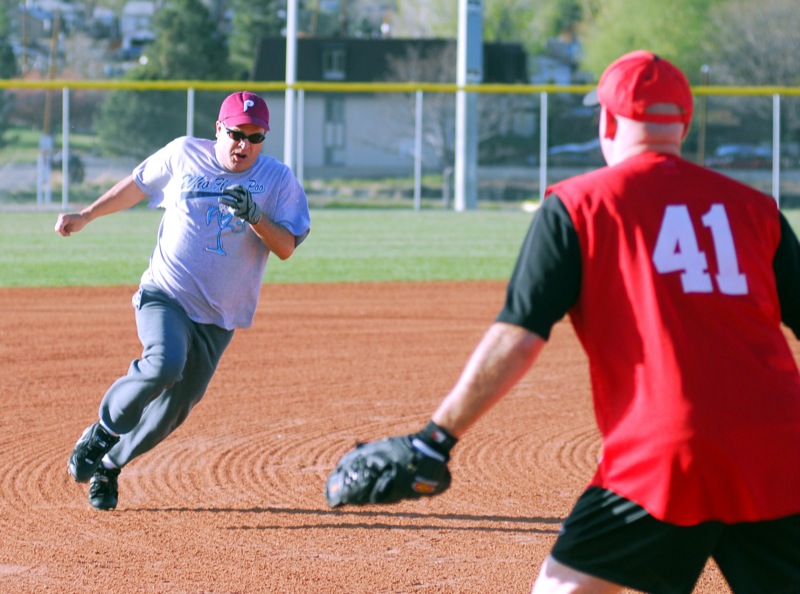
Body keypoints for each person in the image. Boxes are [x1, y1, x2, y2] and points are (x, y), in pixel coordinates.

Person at [325, 51, 800, 593]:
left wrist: (436, 440)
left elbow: (519, 336)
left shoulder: (580, 205)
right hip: (782, 451)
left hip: (665, 455)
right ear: (685, 125)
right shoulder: (757, 210)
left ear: (608, 121)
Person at [57, 91, 311, 511]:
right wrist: (86, 215)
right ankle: (103, 429)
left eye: (255, 136)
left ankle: (109, 465)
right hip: (167, 295)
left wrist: (255, 215)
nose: (243, 145)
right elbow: (136, 186)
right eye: (235, 133)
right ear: (218, 129)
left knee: (177, 406)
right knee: (164, 363)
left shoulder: (278, 179)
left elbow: (285, 247)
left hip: (219, 318)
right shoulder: (184, 154)